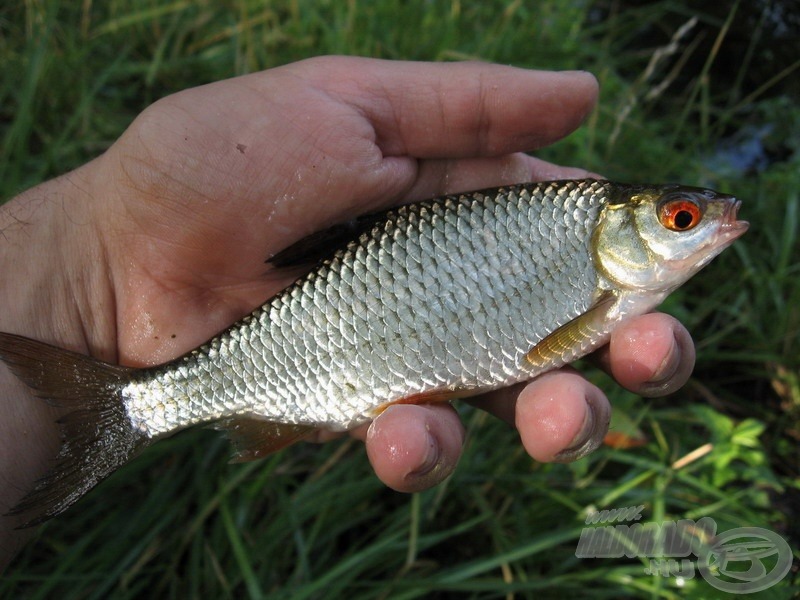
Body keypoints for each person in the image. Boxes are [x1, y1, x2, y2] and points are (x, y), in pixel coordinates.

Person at [0, 56, 694, 567]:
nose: (705, 224)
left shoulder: (591, 248)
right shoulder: (593, 252)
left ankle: (116, 410)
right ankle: (125, 409)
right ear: (625, 227)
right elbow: (543, 350)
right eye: (682, 217)